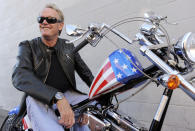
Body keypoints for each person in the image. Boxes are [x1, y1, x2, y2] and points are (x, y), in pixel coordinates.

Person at [12, 3, 94, 131]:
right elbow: (20, 75)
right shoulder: (27, 46)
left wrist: (103, 95)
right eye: (41, 19)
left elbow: (86, 74)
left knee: (98, 108)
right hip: (39, 98)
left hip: (68, 95)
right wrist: (56, 96)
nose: (44, 22)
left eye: (50, 19)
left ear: (60, 25)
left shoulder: (68, 45)